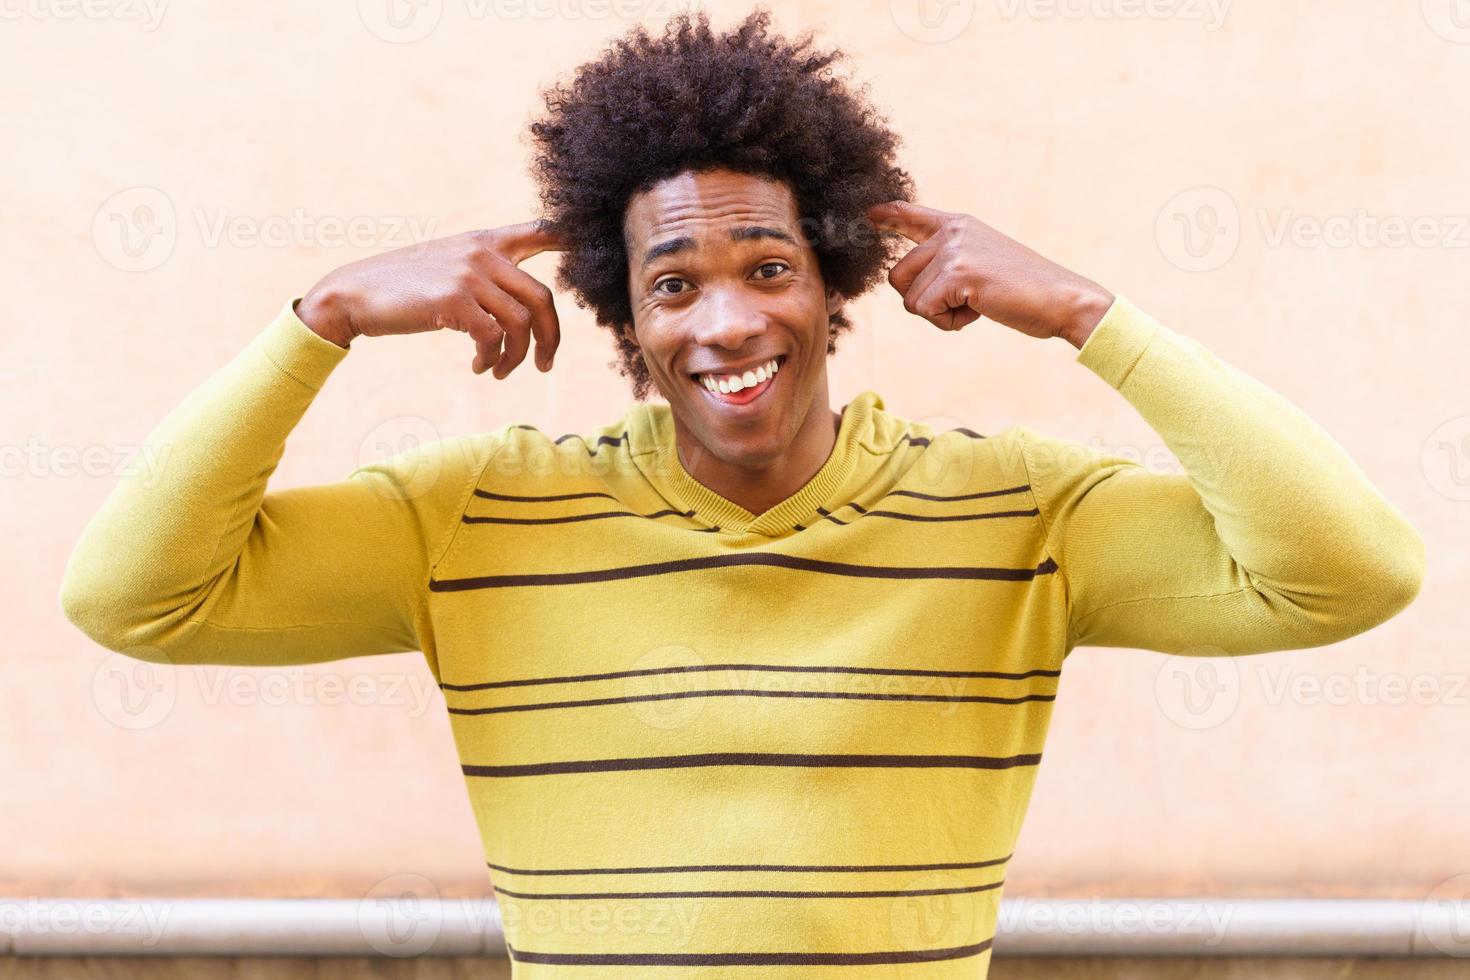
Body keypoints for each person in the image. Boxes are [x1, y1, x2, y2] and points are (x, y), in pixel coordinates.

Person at [59, 8, 1424, 975]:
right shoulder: (467, 514)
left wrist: (1085, 314)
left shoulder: (1021, 513)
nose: (723, 321)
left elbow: (1345, 574)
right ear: (622, 316)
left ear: (835, 282)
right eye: (672, 284)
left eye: (766, 268)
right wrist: (322, 319)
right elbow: (138, 600)